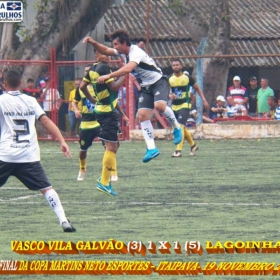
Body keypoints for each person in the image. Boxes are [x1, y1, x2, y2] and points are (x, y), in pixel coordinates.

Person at [83, 29, 183, 163]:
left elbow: (128, 69)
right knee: (142, 116)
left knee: (159, 106)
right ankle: (152, 148)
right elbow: (106, 50)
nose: (114, 47)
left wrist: (109, 75)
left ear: (124, 43)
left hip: (158, 81)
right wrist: (92, 42)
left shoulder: (135, 52)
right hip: (146, 86)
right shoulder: (123, 52)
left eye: (116, 44)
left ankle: (176, 127)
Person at [0, 69, 75, 232]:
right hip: (28, 156)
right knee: (47, 188)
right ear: (20, 83)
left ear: (4, 84)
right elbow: (46, 120)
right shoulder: (31, 100)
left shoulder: (1, 101)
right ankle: (64, 221)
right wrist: (62, 141)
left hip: (6, 155)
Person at [80, 50, 128, 196]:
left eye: (107, 54)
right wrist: (125, 74)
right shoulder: (103, 68)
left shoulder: (92, 69)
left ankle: (105, 177)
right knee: (111, 147)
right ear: (96, 55)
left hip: (102, 110)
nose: (107, 56)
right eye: (103, 54)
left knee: (114, 145)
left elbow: (82, 86)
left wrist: (93, 99)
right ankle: (104, 182)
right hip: (107, 112)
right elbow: (114, 87)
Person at [168, 59, 209, 157]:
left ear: (181, 66)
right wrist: (169, 95)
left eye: (177, 65)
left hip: (185, 105)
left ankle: (178, 151)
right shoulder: (170, 79)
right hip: (174, 106)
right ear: (172, 67)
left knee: (180, 127)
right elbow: (167, 91)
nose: (176, 67)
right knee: (181, 128)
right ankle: (193, 145)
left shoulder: (187, 78)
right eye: (174, 65)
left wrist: (204, 100)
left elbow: (197, 88)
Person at [72, 66, 101, 182]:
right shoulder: (81, 88)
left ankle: (111, 171)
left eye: (89, 71)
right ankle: (82, 169)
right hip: (86, 124)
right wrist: (76, 110)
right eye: (85, 71)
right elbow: (74, 102)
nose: (87, 73)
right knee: (83, 149)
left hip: (100, 122)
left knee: (109, 146)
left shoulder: (99, 87)